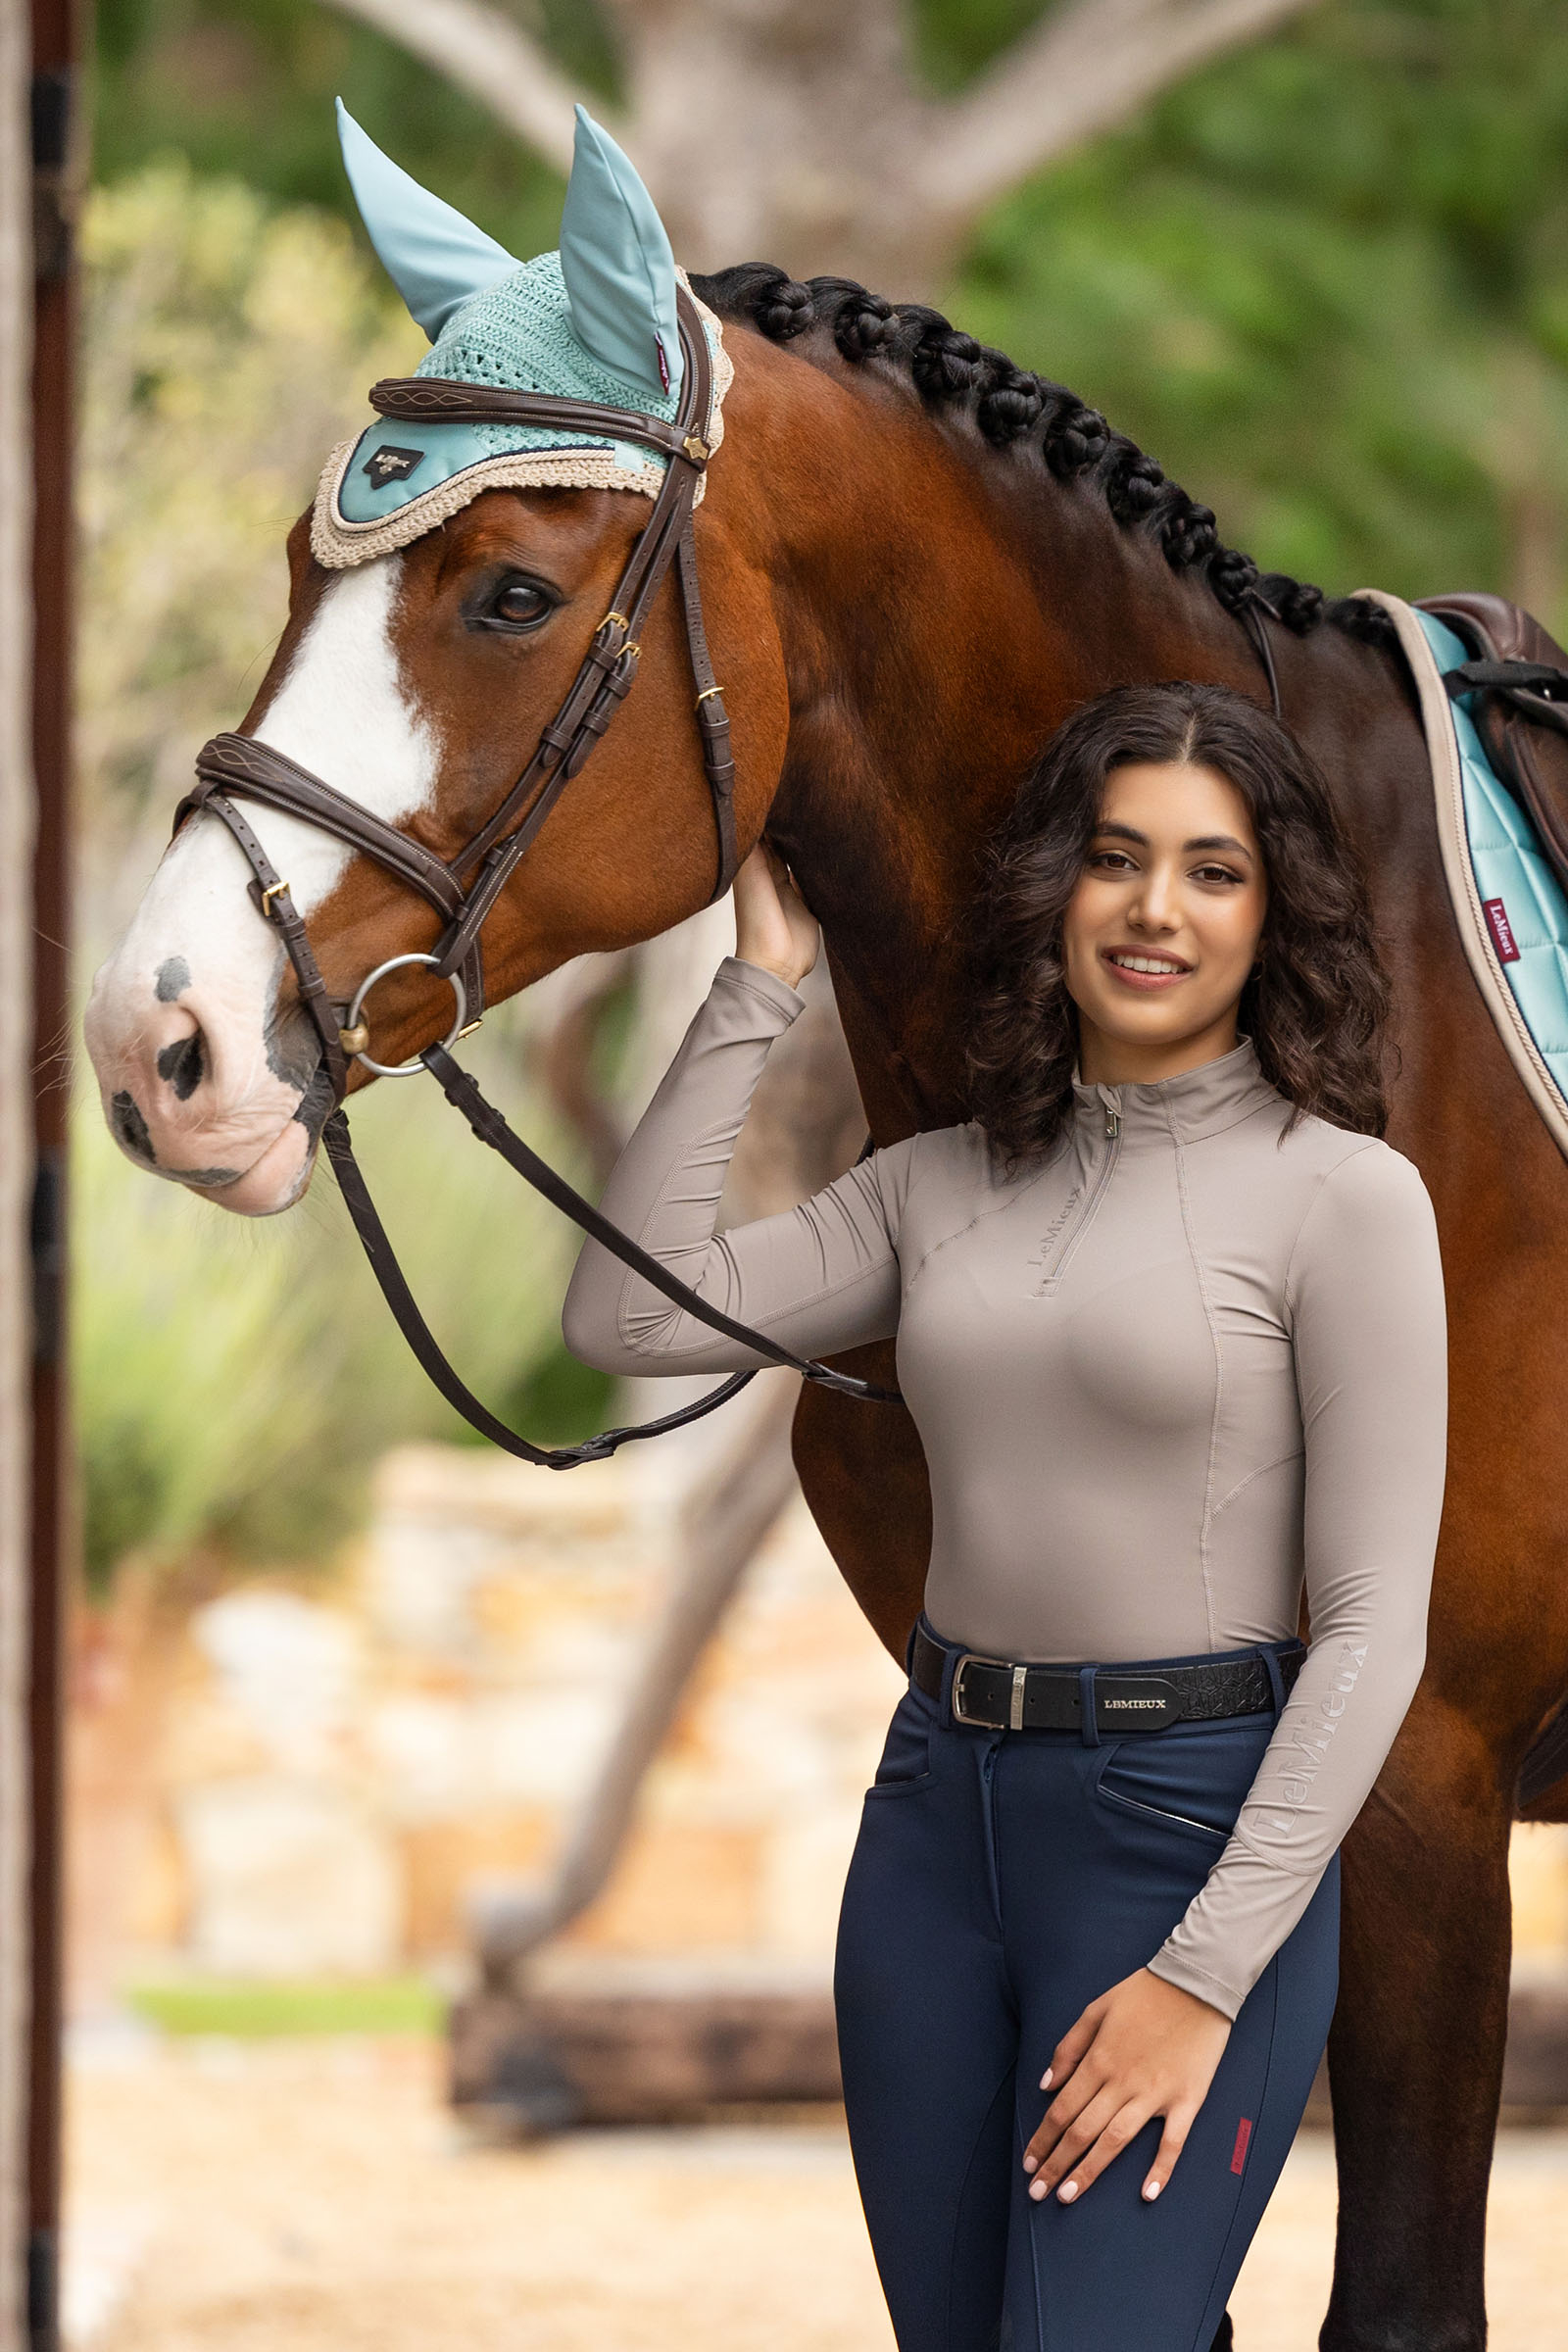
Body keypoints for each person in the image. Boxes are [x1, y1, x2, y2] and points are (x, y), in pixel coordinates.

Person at [562, 680, 1447, 2352]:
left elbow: (1373, 1624)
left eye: (1212, 870)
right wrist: (758, 983)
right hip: (933, 1836)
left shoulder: (1342, 1199)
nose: (1155, 909)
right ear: (1057, 888)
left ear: (1277, 916)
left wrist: (1205, 1978)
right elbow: (628, 1315)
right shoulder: (938, 1182)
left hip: (1186, 1836)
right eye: (1117, 860)